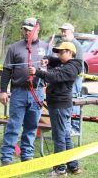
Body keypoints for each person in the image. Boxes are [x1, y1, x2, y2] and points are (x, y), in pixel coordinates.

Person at [29, 42, 82, 176]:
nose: (58, 54)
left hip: (60, 106)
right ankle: (73, 166)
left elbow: (55, 76)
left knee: (59, 137)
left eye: (61, 52)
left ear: (70, 52)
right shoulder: (63, 63)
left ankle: (60, 169)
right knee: (65, 136)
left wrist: (37, 72)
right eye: (57, 52)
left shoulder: (72, 67)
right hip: (59, 105)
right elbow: (53, 60)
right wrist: (47, 58)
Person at [0, 17, 48, 165]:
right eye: (24, 29)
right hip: (18, 92)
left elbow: (53, 69)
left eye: (29, 30)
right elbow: (7, 70)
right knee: (13, 125)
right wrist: (3, 91)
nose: (26, 32)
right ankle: (6, 157)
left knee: (31, 126)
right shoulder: (14, 48)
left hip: (37, 92)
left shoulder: (46, 47)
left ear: (37, 29)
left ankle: (27, 156)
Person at [59, 23, 84, 136]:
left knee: (74, 102)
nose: (63, 33)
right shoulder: (65, 44)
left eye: (65, 31)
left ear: (71, 32)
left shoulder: (76, 45)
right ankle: (67, 126)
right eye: (62, 31)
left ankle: (75, 128)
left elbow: (77, 65)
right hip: (66, 77)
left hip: (75, 78)